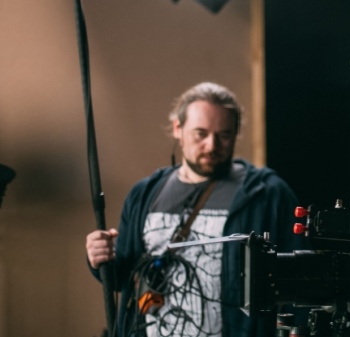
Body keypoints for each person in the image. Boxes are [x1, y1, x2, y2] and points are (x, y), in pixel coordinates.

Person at [85, 82, 309, 337]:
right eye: (200, 134)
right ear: (178, 129)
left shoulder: (267, 194)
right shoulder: (144, 195)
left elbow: (301, 281)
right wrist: (99, 258)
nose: (212, 145)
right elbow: (121, 277)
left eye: (224, 135)